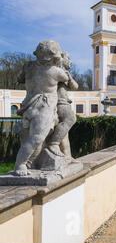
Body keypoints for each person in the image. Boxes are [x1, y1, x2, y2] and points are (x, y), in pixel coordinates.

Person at [13, 41, 69, 176]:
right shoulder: (56, 72)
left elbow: (19, 78)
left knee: (35, 140)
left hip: (28, 105)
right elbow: (67, 78)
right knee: (36, 139)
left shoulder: (28, 67)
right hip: (45, 106)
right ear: (54, 57)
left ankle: (28, 163)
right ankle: (20, 164)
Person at [46, 51, 78, 158]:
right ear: (61, 59)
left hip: (64, 102)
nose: (70, 62)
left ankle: (67, 156)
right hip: (59, 102)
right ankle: (54, 143)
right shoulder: (56, 71)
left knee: (65, 135)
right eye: (68, 58)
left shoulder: (65, 74)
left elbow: (75, 87)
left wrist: (70, 78)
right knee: (71, 118)